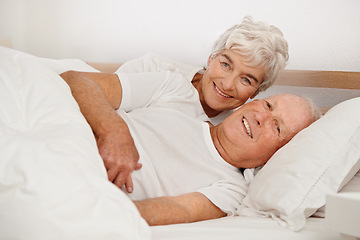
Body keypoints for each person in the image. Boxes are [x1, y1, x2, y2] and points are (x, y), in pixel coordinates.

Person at [61, 68, 321, 226]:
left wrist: (84, 207)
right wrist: (113, 130)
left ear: (278, 155)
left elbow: (175, 211)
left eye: (277, 127)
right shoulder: (176, 92)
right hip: (59, 132)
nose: (260, 117)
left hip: (71, 185)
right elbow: (73, 80)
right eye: (267, 105)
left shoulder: (230, 191)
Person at [60, 16, 289, 194]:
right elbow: (92, 100)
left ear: (256, 92)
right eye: (226, 64)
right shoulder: (160, 72)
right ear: (211, 58)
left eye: (246, 79)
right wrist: (114, 130)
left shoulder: (239, 135)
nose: (228, 84)